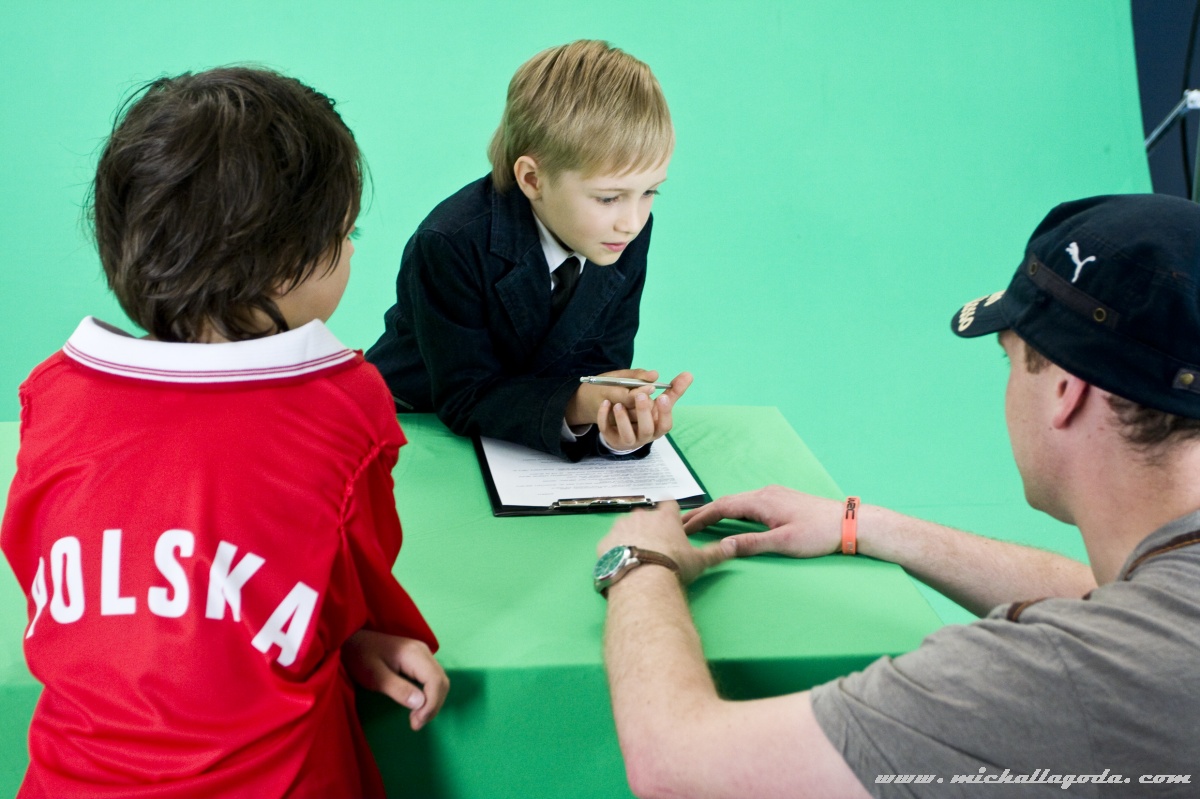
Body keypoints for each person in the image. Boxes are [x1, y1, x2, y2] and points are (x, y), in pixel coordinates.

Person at [594, 194, 1200, 797]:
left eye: (1010, 361)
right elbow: (1115, 601)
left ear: (1068, 391)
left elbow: (676, 765)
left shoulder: (1063, 678)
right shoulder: (1163, 616)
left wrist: (639, 562)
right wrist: (859, 524)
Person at [1, 67, 448, 799]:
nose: (353, 251)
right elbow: (351, 586)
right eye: (346, 233)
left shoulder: (52, 394)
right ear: (283, 261)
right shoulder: (343, 401)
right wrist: (346, 637)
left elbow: (57, 587)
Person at [366, 40, 692, 460]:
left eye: (649, 192)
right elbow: (464, 394)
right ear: (533, 179)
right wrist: (577, 403)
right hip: (417, 419)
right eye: (608, 197)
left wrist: (615, 424)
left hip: (530, 435)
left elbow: (599, 370)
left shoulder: (622, 235)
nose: (632, 221)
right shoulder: (450, 241)